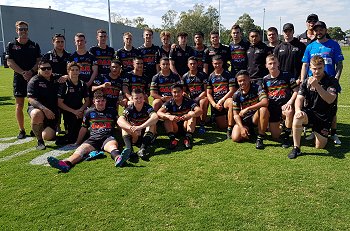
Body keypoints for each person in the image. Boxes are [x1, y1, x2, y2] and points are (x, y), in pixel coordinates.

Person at [47, 90, 127, 172]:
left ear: (106, 101)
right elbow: (83, 128)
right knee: (80, 150)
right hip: (93, 139)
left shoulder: (112, 111)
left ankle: (118, 159)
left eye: (103, 100)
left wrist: (125, 139)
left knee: (112, 147)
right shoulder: (89, 112)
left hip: (107, 138)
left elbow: (120, 125)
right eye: (98, 101)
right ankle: (66, 164)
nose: (101, 103)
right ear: (94, 101)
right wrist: (77, 142)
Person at [288, 55, 340, 159]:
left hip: (324, 117)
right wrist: (298, 110)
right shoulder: (307, 81)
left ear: (324, 67)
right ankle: (296, 148)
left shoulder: (331, 81)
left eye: (319, 68)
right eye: (314, 69)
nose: (316, 71)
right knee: (298, 116)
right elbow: (299, 98)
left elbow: (330, 99)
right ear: (310, 68)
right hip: (310, 113)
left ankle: (319, 132)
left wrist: (317, 85)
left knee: (319, 146)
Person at [300, 21, 344, 144]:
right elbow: (305, 64)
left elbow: (339, 65)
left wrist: (336, 80)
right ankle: (315, 131)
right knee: (313, 107)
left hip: (329, 83)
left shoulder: (334, 45)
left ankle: (334, 133)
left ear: (325, 30)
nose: (318, 32)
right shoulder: (310, 46)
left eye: (321, 30)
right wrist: (304, 81)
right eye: (316, 30)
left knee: (332, 108)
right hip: (312, 84)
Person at [6, 20, 41, 139]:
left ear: (28, 30)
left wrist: (31, 72)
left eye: (25, 29)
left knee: (35, 104)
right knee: (19, 105)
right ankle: (21, 130)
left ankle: (34, 128)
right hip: (19, 78)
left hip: (33, 78)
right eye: (21, 29)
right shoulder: (11, 45)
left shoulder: (34, 45)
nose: (23, 31)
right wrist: (22, 73)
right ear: (17, 30)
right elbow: (10, 62)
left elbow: (38, 62)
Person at [263, 55, 298, 148]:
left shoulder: (287, 75)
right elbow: (264, 95)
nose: (272, 65)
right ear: (266, 65)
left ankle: (287, 137)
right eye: (270, 63)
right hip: (273, 108)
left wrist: (289, 102)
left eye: (274, 63)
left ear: (278, 63)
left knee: (289, 111)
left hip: (285, 106)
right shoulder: (265, 79)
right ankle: (282, 126)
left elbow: (296, 91)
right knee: (275, 136)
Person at [117, 89, 159, 162]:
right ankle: (130, 150)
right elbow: (119, 120)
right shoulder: (130, 108)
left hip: (145, 133)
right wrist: (131, 128)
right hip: (134, 134)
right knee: (124, 126)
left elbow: (155, 117)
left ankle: (142, 149)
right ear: (132, 99)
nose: (139, 100)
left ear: (144, 98)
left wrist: (140, 127)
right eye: (136, 98)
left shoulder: (147, 107)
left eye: (140, 98)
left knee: (153, 124)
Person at [157, 84, 202, 149]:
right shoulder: (169, 102)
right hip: (174, 127)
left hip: (185, 126)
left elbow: (200, 110)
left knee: (192, 113)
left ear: (182, 92)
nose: (177, 94)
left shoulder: (188, 101)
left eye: (178, 91)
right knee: (167, 115)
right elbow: (159, 112)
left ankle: (188, 138)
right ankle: (172, 139)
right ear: (171, 93)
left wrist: (189, 115)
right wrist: (169, 117)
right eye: (174, 92)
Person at [232, 70, 269, 149]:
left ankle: (260, 138)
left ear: (249, 79)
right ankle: (250, 131)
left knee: (263, 109)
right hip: (245, 120)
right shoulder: (236, 95)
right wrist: (241, 127)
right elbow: (235, 115)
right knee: (235, 138)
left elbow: (265, 102)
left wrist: (248, 108)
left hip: (255, 117)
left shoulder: (257, 87)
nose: (242, 83)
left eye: (244, 80)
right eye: (240, 81)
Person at [57, 62, 90, 145]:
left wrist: (81, 110)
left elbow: (87, 101)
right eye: (72, 70)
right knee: (72, 138)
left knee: (84, 134)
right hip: (68, 111)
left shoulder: (82, 84)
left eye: (77, 70)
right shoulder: (65, 84)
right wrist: (74, 111)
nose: (75, 72)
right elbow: (60, 103)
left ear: (79, 71)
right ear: (68, 71)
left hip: (80, 111)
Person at [27, 61, 58, 150]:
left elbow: (68, 75)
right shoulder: (34, 81)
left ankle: (38, 129)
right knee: (36, 113)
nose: (47, 70)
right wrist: (44, 109)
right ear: (38, 70)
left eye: (49, 68)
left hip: (52, 112)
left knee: (48, 136)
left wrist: (65, 77)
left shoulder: (55, 77)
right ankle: (40, 141)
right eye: (43, 68)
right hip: (39, 108)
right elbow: (31, 99)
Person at [207, 55, 236, 138]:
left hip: (225, 99)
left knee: (230, 102)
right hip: (216, 102)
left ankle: (230, 129)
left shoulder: (228, 74)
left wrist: (222, 100)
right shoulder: (211, 76)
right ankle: (235, 121)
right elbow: (208, 93)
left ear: (222, 63)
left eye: (219, 63)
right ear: (212, 64)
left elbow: (232, 90)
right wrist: (214, 104)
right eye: (215, 63)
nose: (217, 65)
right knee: (222, 126)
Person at [181, 56, 209, 134]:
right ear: (188, 65)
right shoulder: (185, 76)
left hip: (201, 97)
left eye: (194, 64)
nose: (193, 65)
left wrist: (198, 98)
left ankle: (202, 124)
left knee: (203, 101)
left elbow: (206, 90)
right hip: (190, 99)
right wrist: (188, 98)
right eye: (191, 64)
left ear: (197, 64)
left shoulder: (203, 75)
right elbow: (183, 91)